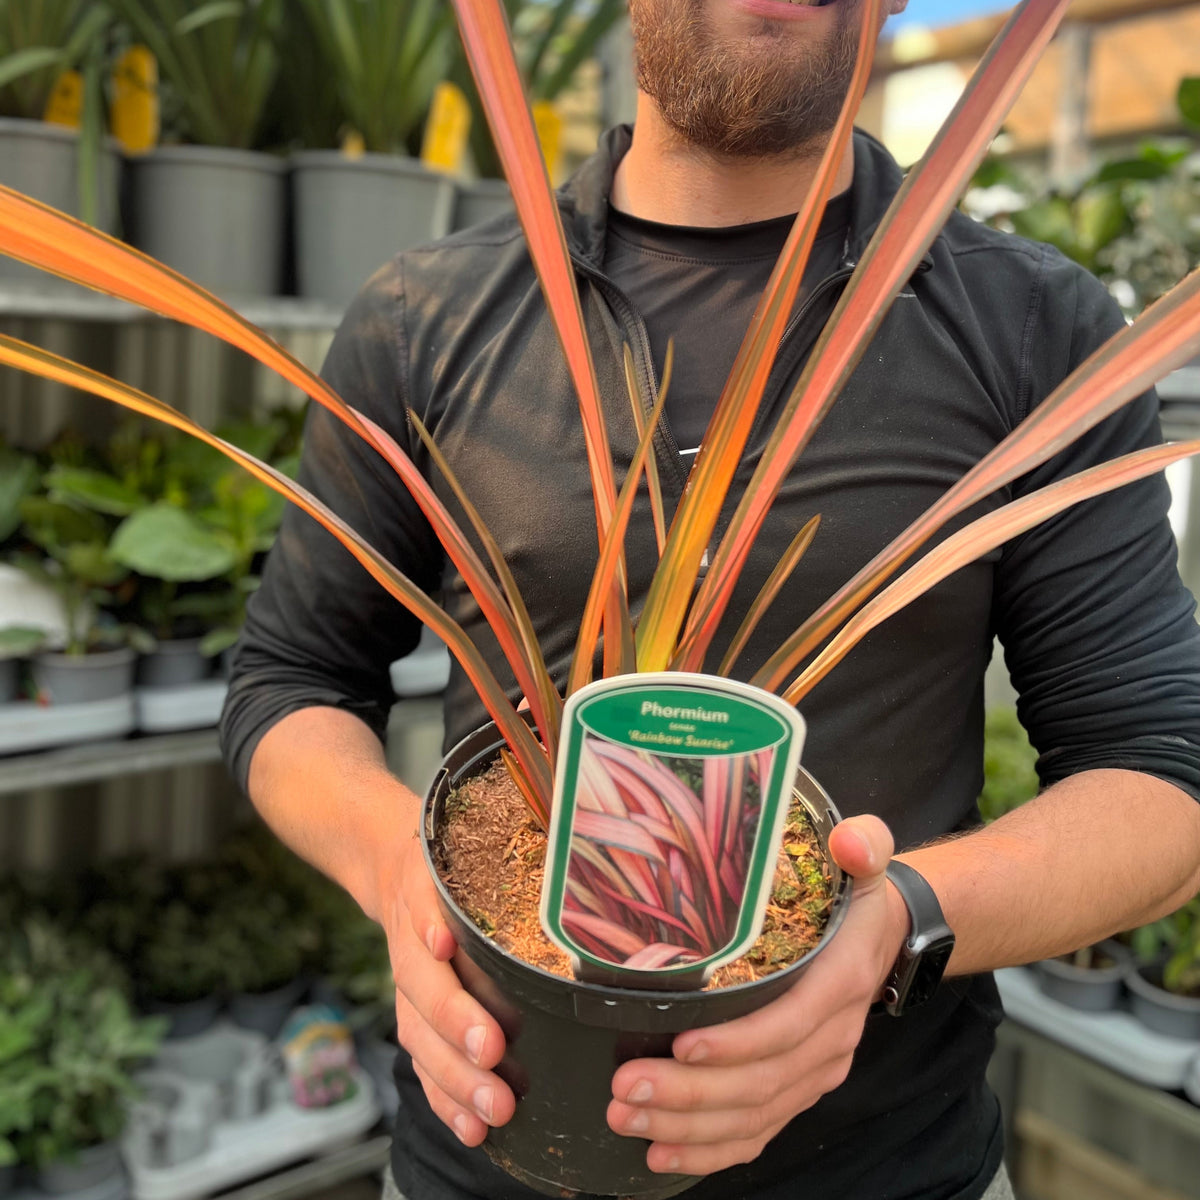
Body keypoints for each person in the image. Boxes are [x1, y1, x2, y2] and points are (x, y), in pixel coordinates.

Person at [220, 1, 1200, 1198]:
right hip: (492, 1150)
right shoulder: (427, 316)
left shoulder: (1036, 328)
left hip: (895, 1168)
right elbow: (291, 683)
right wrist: (400, 875)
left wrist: (902, 921)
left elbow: (1164, 773)